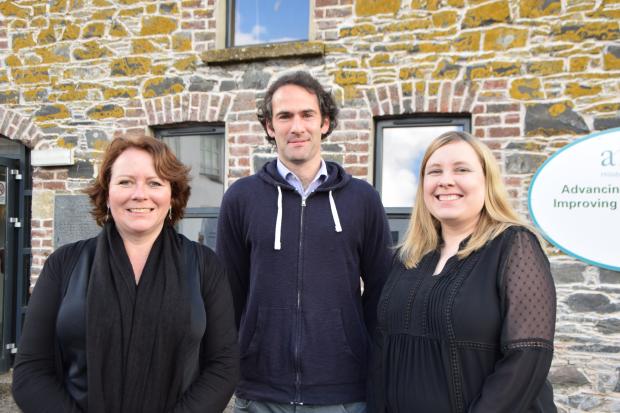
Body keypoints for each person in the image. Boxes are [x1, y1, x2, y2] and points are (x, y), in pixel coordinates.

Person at [13, 135, 239, 413]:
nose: (139, 194)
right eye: (125, 182)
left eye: (155, 183)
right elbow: (31, 370)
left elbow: (223, 365)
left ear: (172, 196)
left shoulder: (204, 265)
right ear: (107, 193)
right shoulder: (64, 264)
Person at [216, 71, 393, 412]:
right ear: (270, 127)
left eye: (307, 114)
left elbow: (381, 294)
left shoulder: (363, 199)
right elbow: (229, 294)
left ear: (325, 122)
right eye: (284, 116)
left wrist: (368, 364)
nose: (296, 126)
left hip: (342, 396)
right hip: (260, 394)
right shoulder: (241, 198)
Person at [368, 131, 557, 412]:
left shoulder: (514, 246)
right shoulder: (407, 258)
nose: (445, 180)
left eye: (461, 169)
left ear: (486, 181)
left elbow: (527, 356)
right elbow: (383, 350)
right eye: (434, 171)